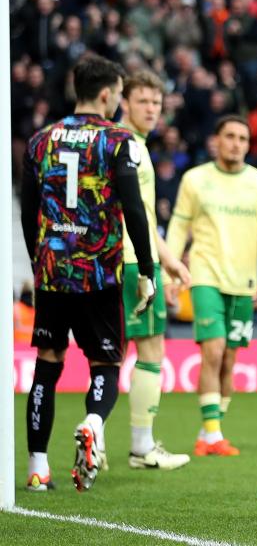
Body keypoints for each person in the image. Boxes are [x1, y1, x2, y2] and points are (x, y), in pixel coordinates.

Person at [20, 54, 156, 492]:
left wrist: (39, 259)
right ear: (106, 94)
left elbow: (28, 212)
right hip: (99, 273)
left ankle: (38, 467)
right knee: (106, 362)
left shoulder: (41, 140)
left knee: (48, 362)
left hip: (53, 271)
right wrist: (148, 269)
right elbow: (134, 210)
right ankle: (94, 423)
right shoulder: (119, 141)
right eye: (118, 93)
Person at [166, 116, 257, 457]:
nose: (236, 143)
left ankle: (209, 432)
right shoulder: (196, 180)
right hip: (205, 276)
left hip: (243, 283)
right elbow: (178, 226)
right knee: (213, 350)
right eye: (229, 136)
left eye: (242, 138)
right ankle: (213, 435)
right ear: (216, 140)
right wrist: (171, 273)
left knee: (229, 359)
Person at [119, 69, 192, 470]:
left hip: (130, 259)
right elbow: (137, 217)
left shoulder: (136, 146)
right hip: (134, 264)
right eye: (143, 101)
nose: (151, 109)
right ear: (123, 102)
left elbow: (144, 214)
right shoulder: (129, 146)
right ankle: (141, 447)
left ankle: (95, 430)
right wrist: (159, 262)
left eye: (156, 102)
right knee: (149, 351)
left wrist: (171, 259)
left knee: (113, 355)